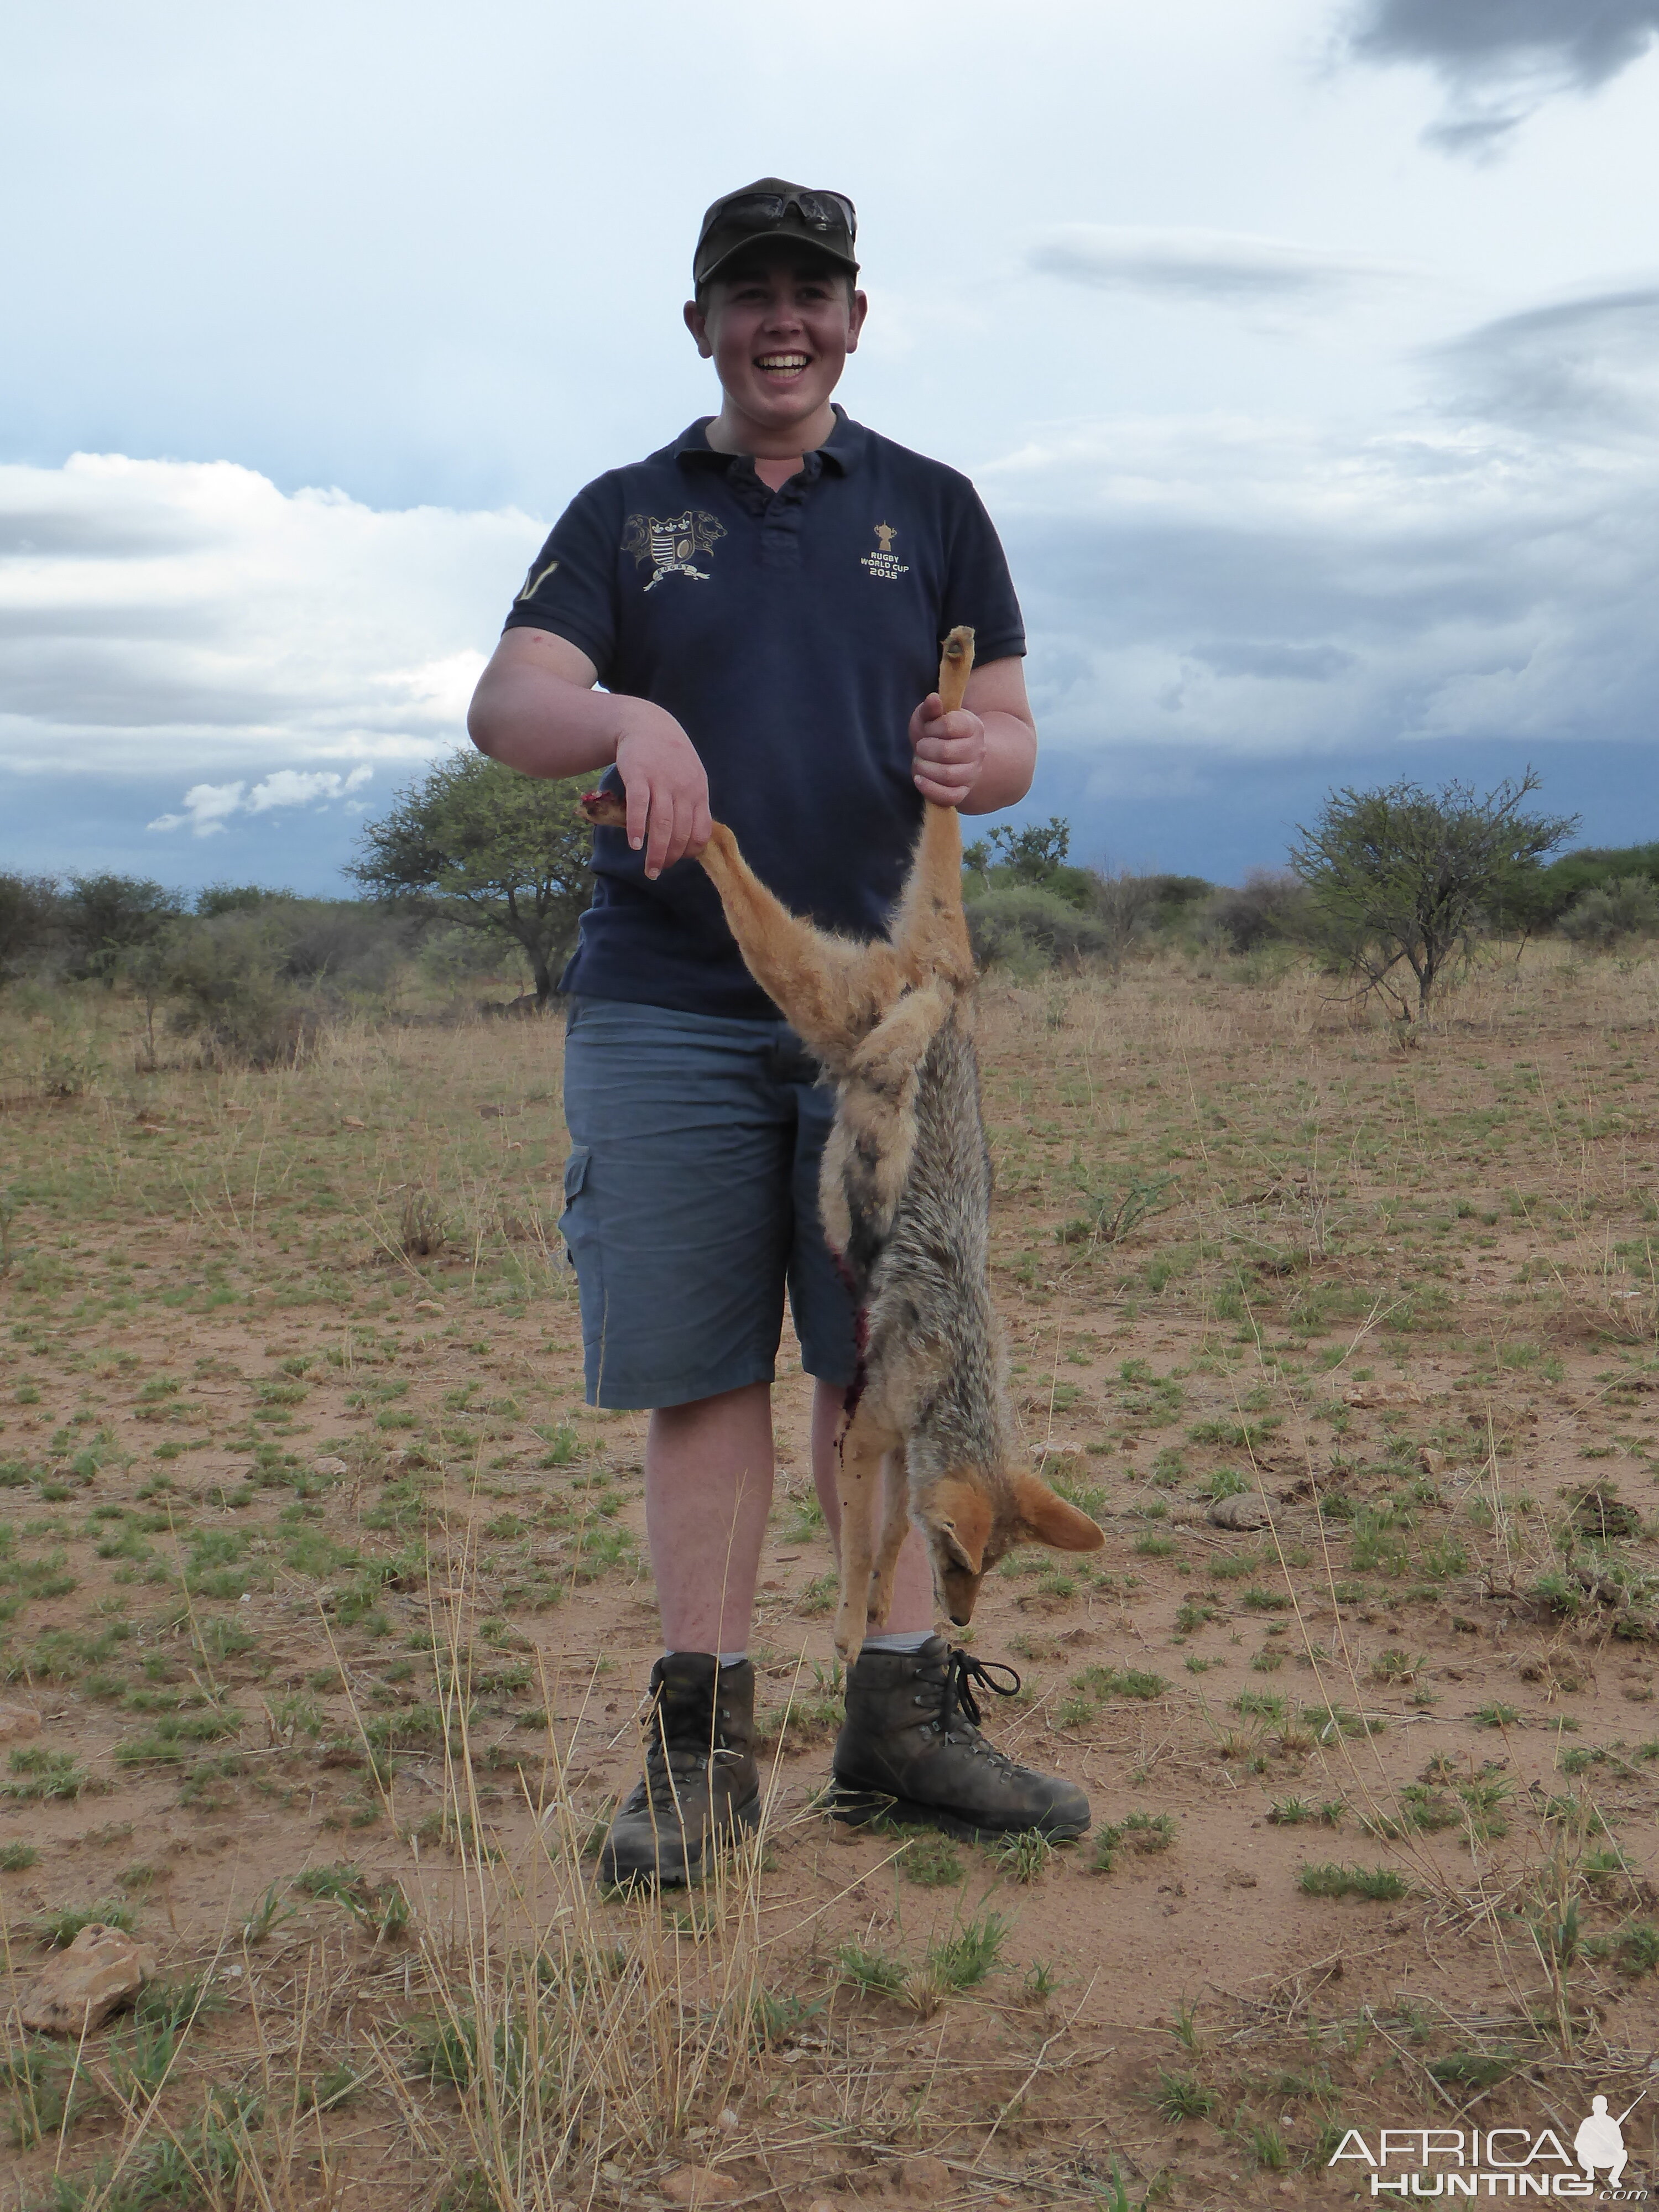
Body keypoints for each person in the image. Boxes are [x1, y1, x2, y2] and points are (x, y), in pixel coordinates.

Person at [468, 178, 1092, 1885]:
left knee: (888, 1372)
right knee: (702, 1385)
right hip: (671, 1003)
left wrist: (986, 761)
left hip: (892, 1029)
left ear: (857, 320)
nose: (783, 321)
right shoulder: (624, 511)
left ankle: (900, 1720)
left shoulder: (936, 508)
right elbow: (509, 703)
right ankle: (702, 1750)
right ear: (702, 326)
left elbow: (1017, 726)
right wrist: (626, 707)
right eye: (751, 293)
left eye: (813, 290)